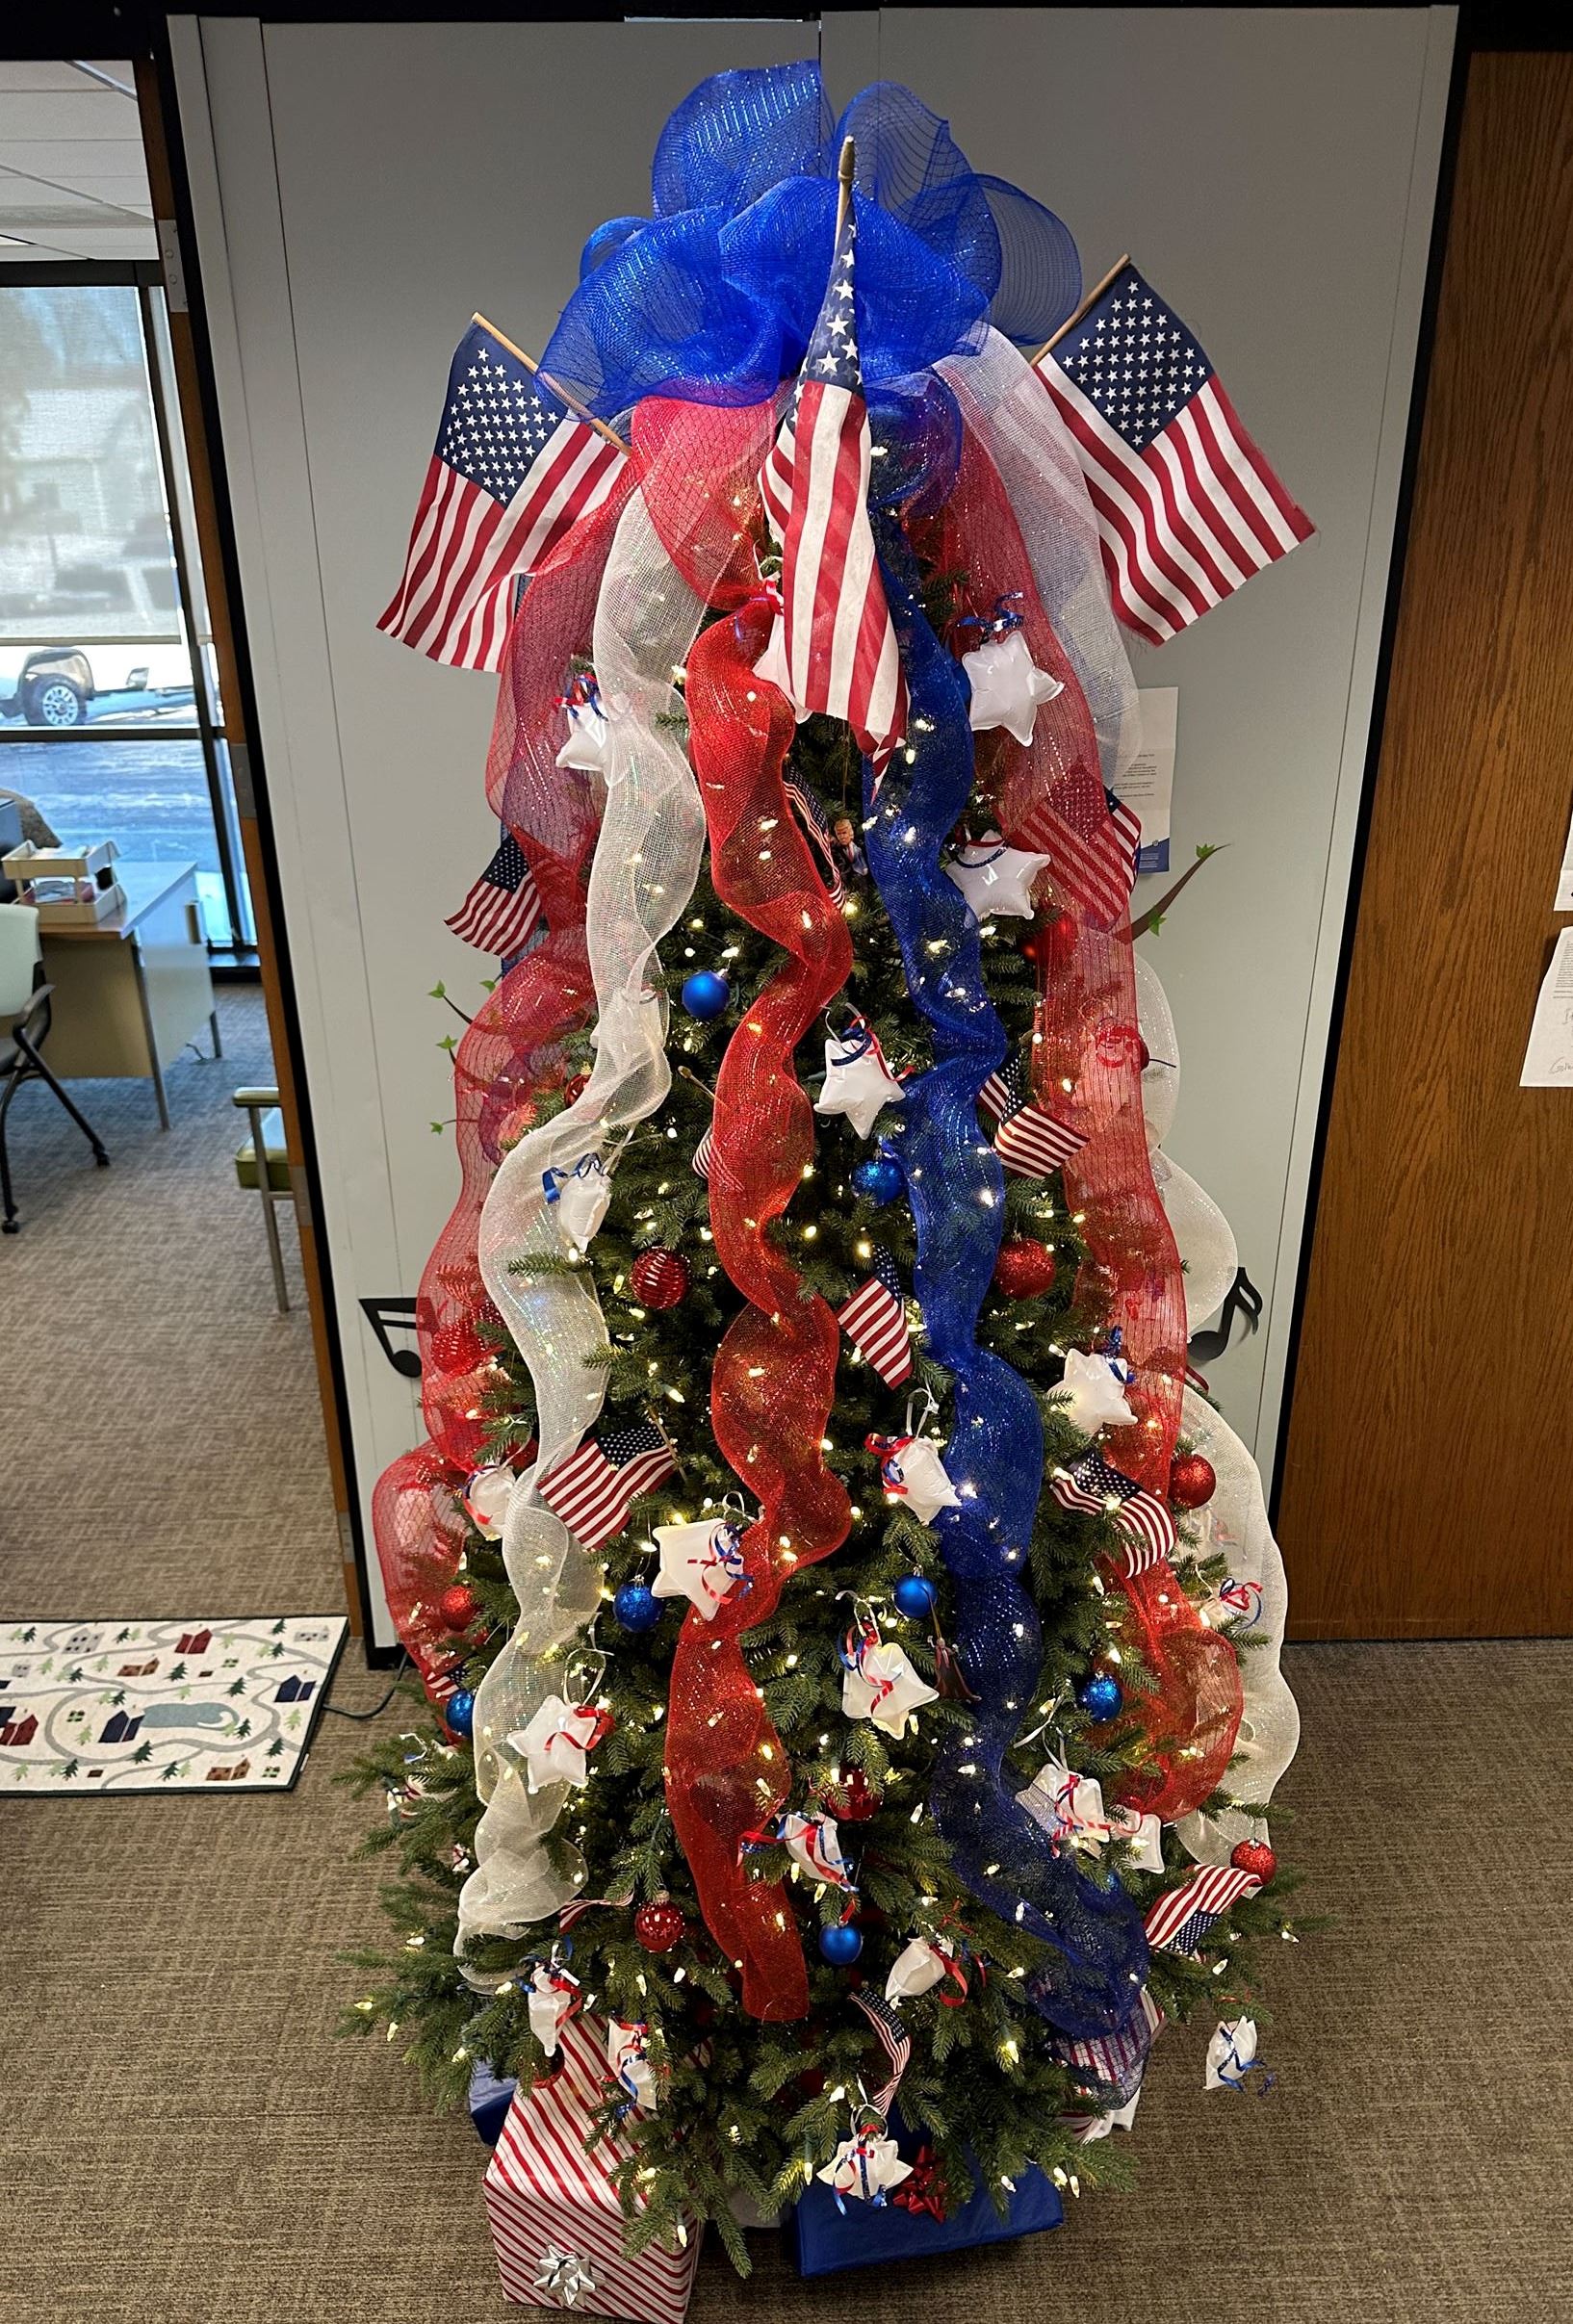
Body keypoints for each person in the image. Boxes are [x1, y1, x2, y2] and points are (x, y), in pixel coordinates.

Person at [830, 811, 867, 886]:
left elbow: (861, 857)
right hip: (848, 875)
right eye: (839, 834)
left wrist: (865, 867)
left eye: (844, 833)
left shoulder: (857, 847)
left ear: (850, 832)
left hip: (860, 871)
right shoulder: (839, 849)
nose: (842, 836)